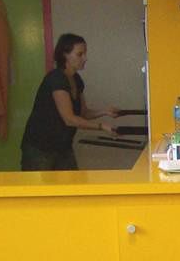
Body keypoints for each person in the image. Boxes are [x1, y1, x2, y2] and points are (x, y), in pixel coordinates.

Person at [20, 33, 117, 171]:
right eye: (80, 54)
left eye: (85, 53)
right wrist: (102, 127)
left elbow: (83, 113)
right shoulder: (56, 79)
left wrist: (105, 112)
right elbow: (70, 119)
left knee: (73, 187)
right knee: (40, 192)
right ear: (65, 55)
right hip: (39, 149)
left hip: (63, 147)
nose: (85, 58)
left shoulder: (77, 80)